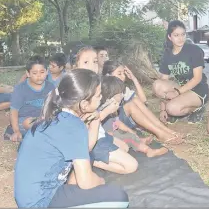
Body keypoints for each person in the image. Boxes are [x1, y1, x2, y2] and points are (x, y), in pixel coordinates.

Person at [14, 69, 129, 208]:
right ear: (84, 104)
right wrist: (100, 181)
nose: (101, 97)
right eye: (98, 95)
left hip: (32, 195)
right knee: (120, 198)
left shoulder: (58, 114)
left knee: (89, 156)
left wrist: (96, 119)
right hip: (41, 201)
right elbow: (86, 182)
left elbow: (86, 149)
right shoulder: (74, 125)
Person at [74, 46, 138, 174]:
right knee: (132, 166)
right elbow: (82, 124)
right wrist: (107, 111)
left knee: (125, 148)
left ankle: (89, 157)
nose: (92, 66)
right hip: (86, 139)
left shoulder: (95, 84)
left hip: (99, 133)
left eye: (95, 61)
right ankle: (88, 160)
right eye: (86, 62)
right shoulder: (76, 89)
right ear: (76, 66)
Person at [103, 60, 185, 145]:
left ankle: (164, 129)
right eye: (119, 73)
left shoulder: (123, 88)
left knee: (135, 100)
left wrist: (134, 79)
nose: (123, 76)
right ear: (108, 75)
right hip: (112, 125)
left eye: (124, 73)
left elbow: (143, 102)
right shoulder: (104, 89)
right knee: (130, 105)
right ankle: (160, 133)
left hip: (120, 121)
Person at [152, 20, 209, 125]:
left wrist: (177, 92)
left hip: (198, 90)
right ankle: (175, 110)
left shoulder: (194, 50)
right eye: (176, 35)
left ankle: (197, 109)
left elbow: (197, 78)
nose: (180, 38)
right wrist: (163, 109)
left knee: (172, 108)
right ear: (170, 37)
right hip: (181, 87)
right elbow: (164, 80)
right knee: (157, 85)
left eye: (183, 34)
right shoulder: (167, 54)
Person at [101, 76, 168, 157]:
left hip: (114, 132)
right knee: (130, 138)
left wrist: (129, 130)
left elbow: (117, 123)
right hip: (109, 137)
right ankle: (149, 151)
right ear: (111, 96)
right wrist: (123, 140)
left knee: (129, 134)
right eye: (120, 94)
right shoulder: (107, 113)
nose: (122, 95)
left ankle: (140, 140)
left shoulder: (114, 108)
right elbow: (109, 135)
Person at [6, 55, 55, 141]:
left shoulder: (50, 87)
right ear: (28, 74)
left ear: (47, 72)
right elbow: (13, 112)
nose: (39, 76)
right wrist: (16, 131)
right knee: (29, 122)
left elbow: (54, 106)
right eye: (35, 73)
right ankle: (44, 135)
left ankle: (43, 134)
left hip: (43, 118)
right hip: (25, 120)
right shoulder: (20, 89)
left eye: (42, 72)